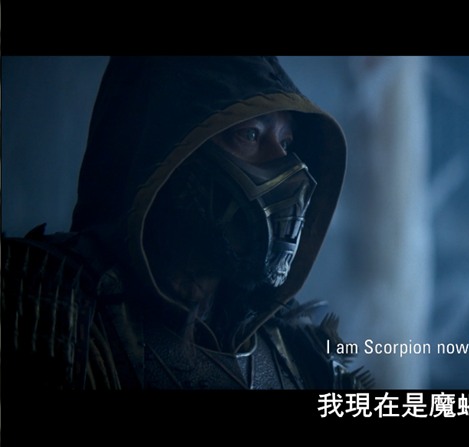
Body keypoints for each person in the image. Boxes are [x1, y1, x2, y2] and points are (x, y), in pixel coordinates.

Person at [1, 56, 372, 390]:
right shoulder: (51, 308)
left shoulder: (294, 354)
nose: (289, 168)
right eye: (250, 134)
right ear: (169, 150)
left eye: (286, 143)